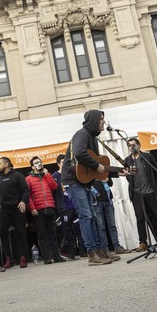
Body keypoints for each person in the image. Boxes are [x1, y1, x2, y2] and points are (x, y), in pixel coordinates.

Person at [60, 110, 115, 266]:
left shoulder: (93, 138)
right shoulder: (82, 134)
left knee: (91, 216)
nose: (104, 122)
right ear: (94, 120)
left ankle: (100, 251)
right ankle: (92, 254)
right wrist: (96, 165)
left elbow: (97, 167)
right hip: (73, 181)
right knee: (86, 216)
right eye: (102, 119)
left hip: (83, 181)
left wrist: (118, 173)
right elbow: (79, 153)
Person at [123, 137, 157, 250]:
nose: (131, 147)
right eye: (129, 146)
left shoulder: (147, 157)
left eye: (133, 145)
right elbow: (128, 177)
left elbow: (156, 172)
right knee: (140, 218)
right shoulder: (127, 161)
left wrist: (154, 187)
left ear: (139, 145)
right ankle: (142, 243)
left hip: (150, 192)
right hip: (137, 194)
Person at [26, 156, 66, 264]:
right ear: (32, 166)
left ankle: (56, 256)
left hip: (50, 207)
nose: (38, 164)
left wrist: (47, 174)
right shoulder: (28, 179)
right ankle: (47, 257)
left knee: (53, 233)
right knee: (42, 235)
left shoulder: (46, 176)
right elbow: (28, 195)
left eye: (40, 162)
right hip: (38, 210)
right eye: (36, 163)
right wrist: (32, 208)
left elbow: (55, 186)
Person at [0, 156, 31, 268]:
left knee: (21, 233)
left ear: (6, 164)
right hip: (4, 209)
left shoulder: (17, 175)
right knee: (2, 233)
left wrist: (23, 201)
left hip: (17, 208)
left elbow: (26, 190)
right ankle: (9, 259)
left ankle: (23, 258)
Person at [90, 178, 127, 256]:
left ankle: (117, 246)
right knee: (101, 227)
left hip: (108, 200)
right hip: (97, 203)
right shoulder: (89, 173)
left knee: (112, 225)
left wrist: (107, 179)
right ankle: (105, 249)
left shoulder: (103, 171)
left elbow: (110, 183)